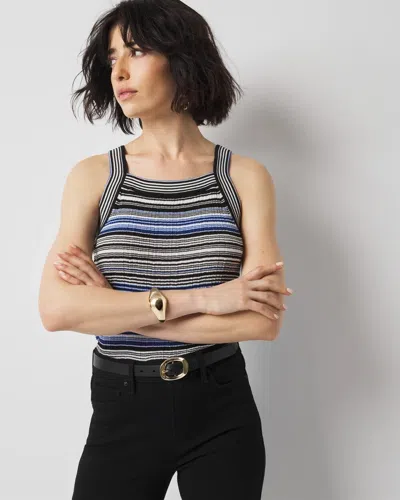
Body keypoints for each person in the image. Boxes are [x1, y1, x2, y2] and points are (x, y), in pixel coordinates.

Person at [38, 1, 293, 498]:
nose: (119, 71)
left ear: (183, 58)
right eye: (112, 58)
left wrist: (115, 310)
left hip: (221, 406)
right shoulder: (96, 177)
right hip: (121, 404)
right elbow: (56, 310)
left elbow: (262, 321)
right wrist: (206, 298)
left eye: (136, 51)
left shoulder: (244, 177)